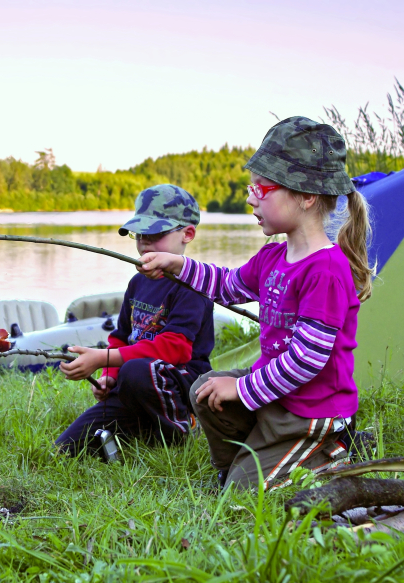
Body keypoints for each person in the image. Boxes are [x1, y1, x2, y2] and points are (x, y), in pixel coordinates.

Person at [138, 117, 374, 490]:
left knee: (240, 496)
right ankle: (246, 462)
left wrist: (243, 389)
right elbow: (226, 285)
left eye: (262, 188)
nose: (250, 197)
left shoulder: (326, 270)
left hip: (311, 412)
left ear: (306, 196)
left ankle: (332, 449)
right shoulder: (273, 257)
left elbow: (306, 360)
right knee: (205, 388)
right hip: (276, 397)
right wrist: (178, 265)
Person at [55, 184, 215, 458]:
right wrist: (108, 376)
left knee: (138, 370)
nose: (144, 243)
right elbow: (122, 336)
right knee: (68, 448)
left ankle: (181, 427)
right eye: (140, 234)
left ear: (187, 234)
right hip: (135, 383)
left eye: (156, 234)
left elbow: (176, 349)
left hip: (181, 382)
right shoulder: (138, 281)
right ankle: (143, 423)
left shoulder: (191, 286)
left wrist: (104, 358)